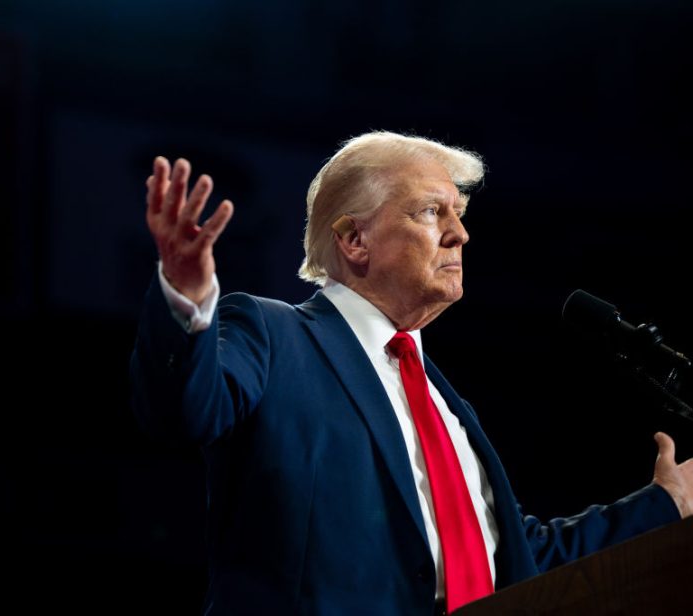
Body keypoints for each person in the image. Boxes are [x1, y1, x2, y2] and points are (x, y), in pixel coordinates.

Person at [129, 131, 692, 615]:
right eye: (430, 212)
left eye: (459, 215)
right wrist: (186, 297)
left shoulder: (450, 411)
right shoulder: (275, 337)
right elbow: (185, 408)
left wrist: (666, 502)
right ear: (354, 241)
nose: (460, 234)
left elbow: (522, 560)